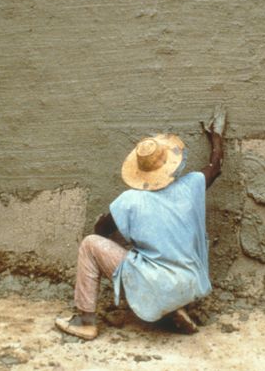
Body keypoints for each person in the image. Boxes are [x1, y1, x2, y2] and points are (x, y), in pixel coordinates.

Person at [55, 107, 226, 340]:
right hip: (191, 284)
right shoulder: (192, 186)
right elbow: (215, 167)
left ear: (140, 170)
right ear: (170, 163)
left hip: (157, 284)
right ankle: (170, 310)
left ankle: (85, 321)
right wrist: (216, 134)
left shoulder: (130, 201)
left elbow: (101, 231)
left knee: (90, 244)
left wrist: (123, 233)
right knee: (154, 258)